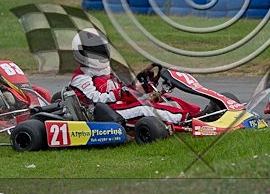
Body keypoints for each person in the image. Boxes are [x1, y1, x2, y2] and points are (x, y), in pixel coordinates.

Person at [68, 28, 199, 124]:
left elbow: (126, 87)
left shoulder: (110, 70)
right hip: (103, 113)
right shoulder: (81, 77)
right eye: (95, 52)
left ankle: (200, 114)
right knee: (145, 108)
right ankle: (189, 120)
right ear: (81, 53)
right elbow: (95, 99)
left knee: (163, 98)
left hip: (120, 104)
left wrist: (144, 84)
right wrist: (119, 94)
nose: (100, 54)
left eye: (101, 50)